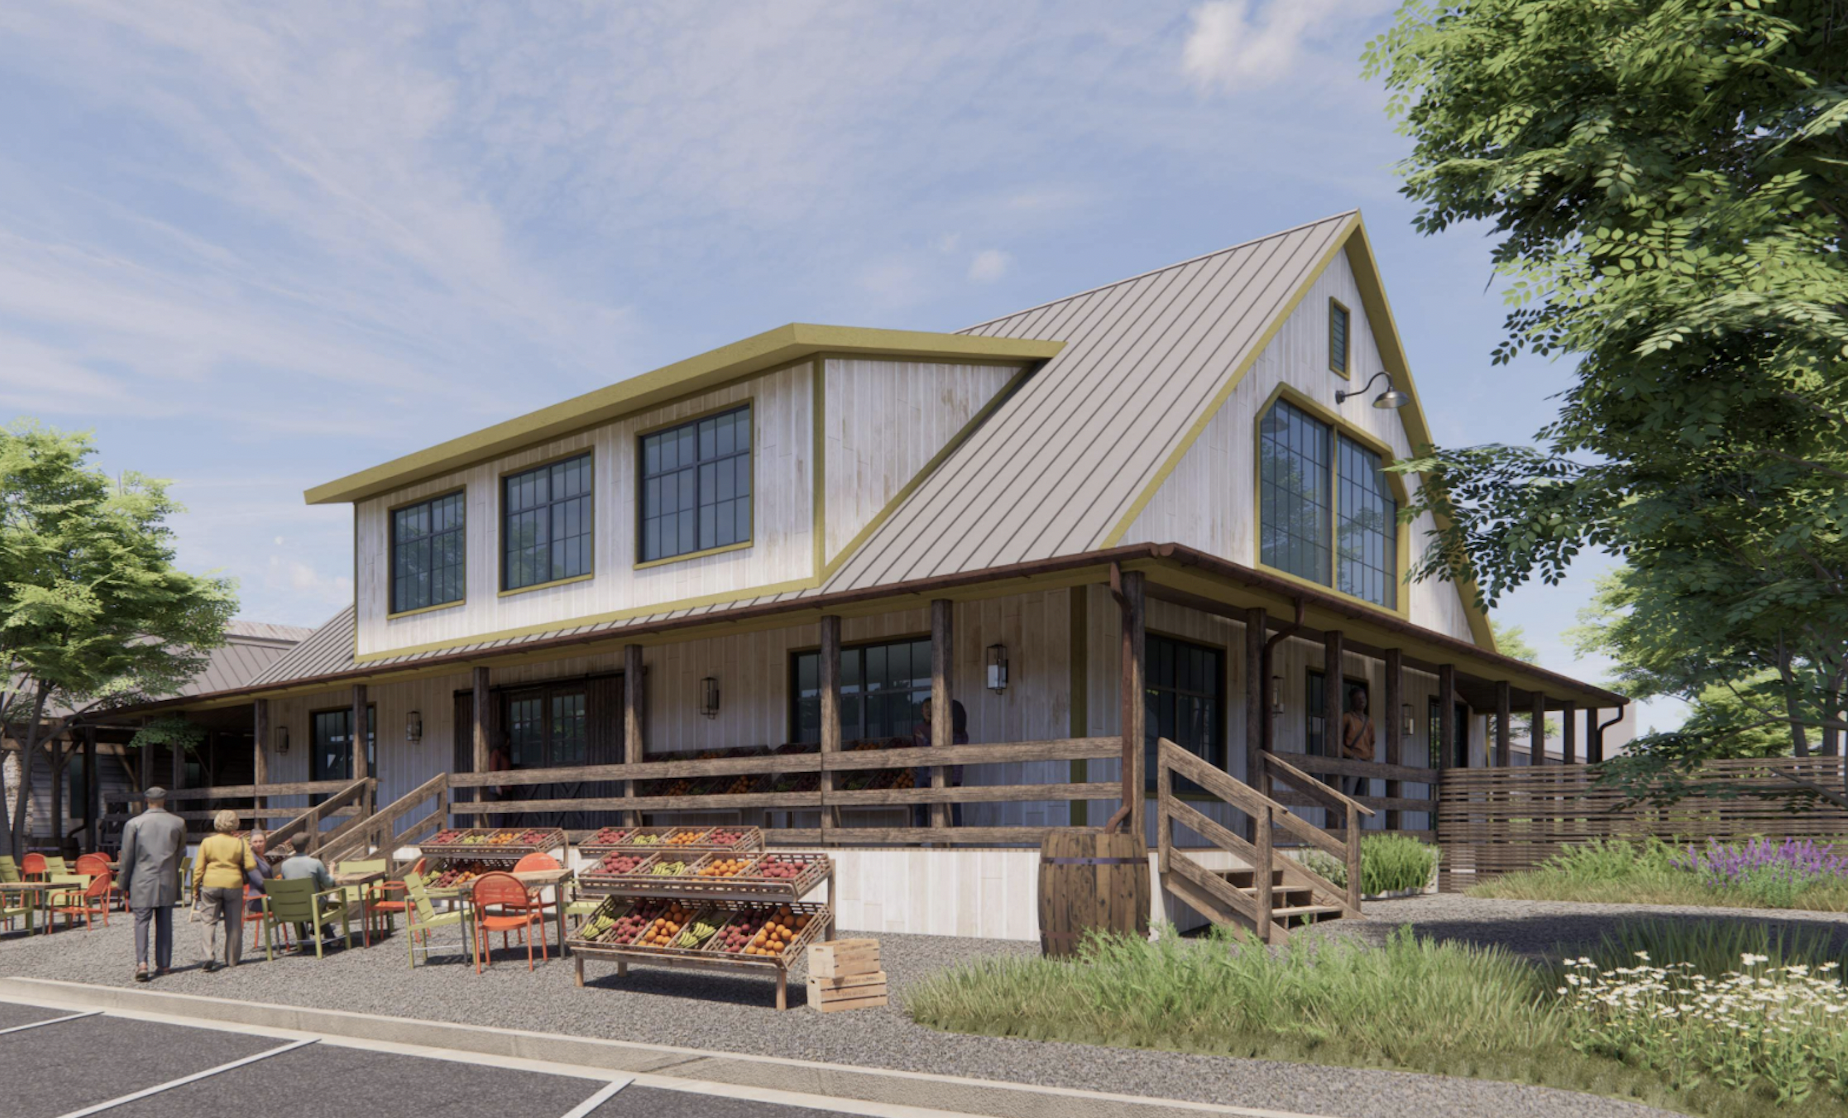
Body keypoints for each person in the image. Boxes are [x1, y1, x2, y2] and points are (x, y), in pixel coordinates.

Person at [117, 786, 186, 982]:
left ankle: (142, 963)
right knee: (165, 923)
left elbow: (127, 857)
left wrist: (123, 884)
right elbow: (180, 853)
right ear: (165, 800)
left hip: (142, 879)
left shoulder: (134, 823)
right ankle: (164, 964)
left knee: (141, 921)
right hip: (167, 878)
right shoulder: (178, 823)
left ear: (146, 800)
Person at [192, 810, 255, 972]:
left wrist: (195, 887)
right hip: (233, 883)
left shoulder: (207, 842)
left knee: (208, 921)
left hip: (211, 883)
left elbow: (199, 868)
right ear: (235, 824)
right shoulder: (241, 843)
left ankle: (208, 955)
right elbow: (251, 865)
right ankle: (232, 958)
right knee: (233, 923)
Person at [910, 696, 970, 827]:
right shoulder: (963, 734)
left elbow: (935, 750)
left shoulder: (946, 734)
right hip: (956, 777)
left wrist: (924, 739)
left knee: (937, 808)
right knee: (954, 808)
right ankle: (956, 834)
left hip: (939, 773)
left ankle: (936, 834)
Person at [275, 849, 337, 946]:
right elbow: (329, 883)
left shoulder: (285, 865)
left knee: (300, 900)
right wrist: (332, 871)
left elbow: (284, 883)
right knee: (318, 899)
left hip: (292, 907)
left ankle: (303, 939)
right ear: (306, 847)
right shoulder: (315, 863)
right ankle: (328, 935)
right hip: (312, 906)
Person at [1340, 687, 1376, 799]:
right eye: (1358, 698)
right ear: (1352, 701)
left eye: (1363, 698)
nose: (1361, 701)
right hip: (1351, 760)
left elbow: (1372, 742)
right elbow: (1337, 741)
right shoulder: (1347, 718)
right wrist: (1351, 755)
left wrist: (1371, 757)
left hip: (1365, 762)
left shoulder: (1369, 721)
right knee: (1348, 795)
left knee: (1363, 796)